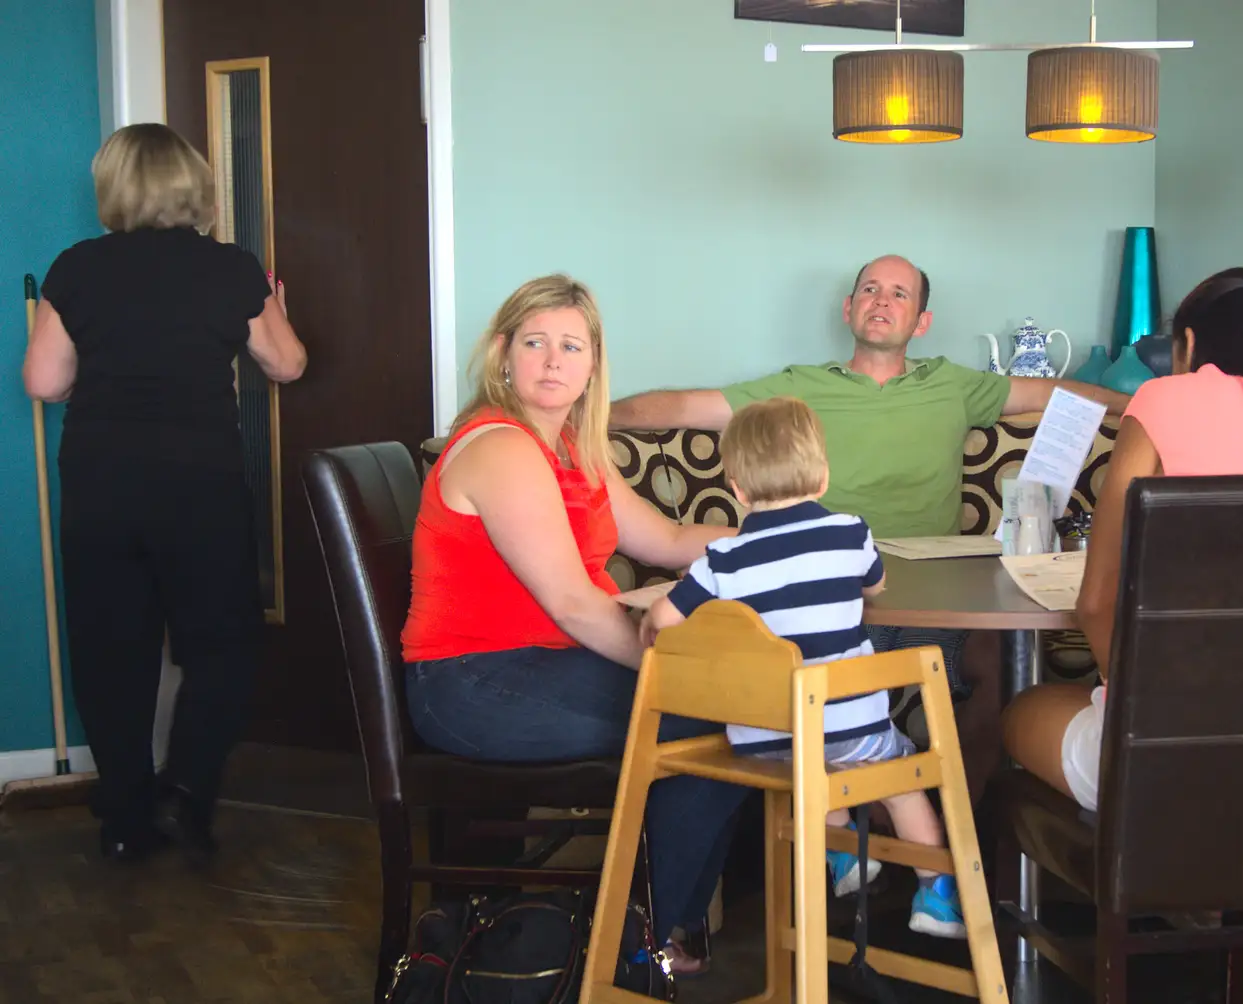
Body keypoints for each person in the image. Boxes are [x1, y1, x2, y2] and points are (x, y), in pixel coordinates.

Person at [611, 254, 1130, 802]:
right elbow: (688, 407)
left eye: (899, 294)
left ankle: (962, 836)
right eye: (870, 290)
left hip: (939, 602)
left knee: (1000, 665)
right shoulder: (799, 388)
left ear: (921, 322)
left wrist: (1143, 404)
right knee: (777, 669)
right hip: (830, 602)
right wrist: (592, 413)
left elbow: (1055, 397)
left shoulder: (954, 384)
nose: (881, 300)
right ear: (849, 309)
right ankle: (866, 834)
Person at [1000, 267, 1243, 1001]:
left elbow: (1099, 600)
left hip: (1179, 759)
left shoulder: (1166, 399)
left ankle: (1137, 894)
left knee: (1016, 715)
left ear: (1191, 342)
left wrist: (1147, 722)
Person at [399, 274, 740, 973]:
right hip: (471, 682)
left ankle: (652, 928)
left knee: (724, 712)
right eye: (535, 343)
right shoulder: (503, 448)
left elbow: (669, 540)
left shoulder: (574, 450)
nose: (553, 361)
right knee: (709, 721)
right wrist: (671, 671)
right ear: (503, 355)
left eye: (571, 346)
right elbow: (575, 604)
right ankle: (645, 944)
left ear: (592, 367)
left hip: (534, 666)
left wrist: (776, 536)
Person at [20, 123, 306, 862]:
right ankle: (185, 791)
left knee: (111, 651)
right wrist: (272, 308)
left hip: (101, 482)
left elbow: (43, 382)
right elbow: (288, 365)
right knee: (221, 646)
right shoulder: (230, 268)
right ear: (193, 185)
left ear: (114, 189)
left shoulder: (76, 267)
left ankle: (124, 817)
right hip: (199, 483)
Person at [642, 397, 966, 938]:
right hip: (851, 729)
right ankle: (936, 895)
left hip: (766, 737)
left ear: (738, 489)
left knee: (806, 768)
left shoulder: (723, 559)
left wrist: (652, 627)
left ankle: (844, 856)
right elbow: (875, 585)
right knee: (900, 781)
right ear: (821, 475)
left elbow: (663, 618)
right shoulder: (849, 532)